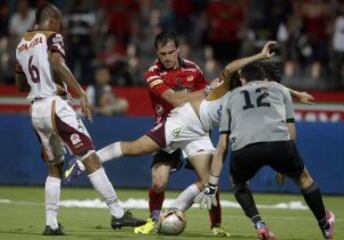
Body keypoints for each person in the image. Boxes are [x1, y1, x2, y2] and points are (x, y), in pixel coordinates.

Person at [65, 30, 229, 236]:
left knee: (210, 181)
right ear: (156, 53)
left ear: (178, 49)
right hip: (170, 128)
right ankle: (85, 163)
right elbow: (175, 99)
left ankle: (216, 226)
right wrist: (206, 91)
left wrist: (215, 90)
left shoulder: (194, 69)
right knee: (158, 182)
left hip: (195, 130)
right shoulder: (153, 73)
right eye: (163, 54)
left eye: (171, 52)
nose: (168, 57)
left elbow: (208, 99)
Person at [14, 3, 145, 236]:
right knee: (89, 155)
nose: (61, 26)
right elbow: (57, 63)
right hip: (56, 104)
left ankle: (51, 224)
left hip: (35, 110)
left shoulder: (22, 45)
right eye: (59, 21)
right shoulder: (52, 36)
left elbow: (20, 85)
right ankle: (117, 213)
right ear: (52, 19)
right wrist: (81, 92)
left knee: (54, 167)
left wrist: (39, 80)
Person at [194, 63, 335, 240]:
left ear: (243, 79)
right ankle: (325, 225)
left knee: (238, 183)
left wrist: (212, 185)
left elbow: (222, 145)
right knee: (304, 179)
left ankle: (259, 224)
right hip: (279, 145)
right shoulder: (280, 89)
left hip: (245, 150)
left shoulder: (231, 96)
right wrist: (285, 166)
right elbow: (290, 130)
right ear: (264, 78)